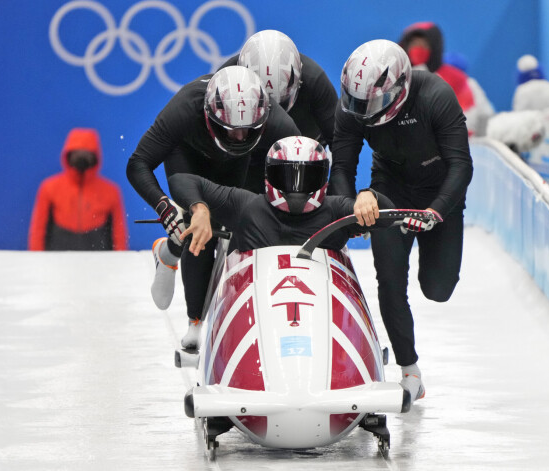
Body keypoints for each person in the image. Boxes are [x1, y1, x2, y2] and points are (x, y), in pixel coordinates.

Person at [329, 39, 473, 402]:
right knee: (390, 279)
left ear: (400, 88)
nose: (365, 112)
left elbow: (461, 165)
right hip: (390, 189)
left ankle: (435, 232)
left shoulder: (436, 95)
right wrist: (350, 210)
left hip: (439, 193)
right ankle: (410, 370)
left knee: (437, 289)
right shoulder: (350, 108)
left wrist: (437, 211)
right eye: (357, 105)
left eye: (372, 105)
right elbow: (342, 166)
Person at [168, 136, 399, 352]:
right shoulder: (247, 207)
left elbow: (390, 216)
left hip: (319, 314)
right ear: (269, 175)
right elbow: (181, 180)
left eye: (307, 177)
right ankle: (193, 315)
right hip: (260, 312)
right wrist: (199, 207)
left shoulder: (337, 210)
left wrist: (371, 197)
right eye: (286, 176)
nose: (296, 188)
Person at [126, 66, 300, 348]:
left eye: (248, 130)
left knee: (250, 221)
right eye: (231, 130)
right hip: (189, 159)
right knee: (199, 230)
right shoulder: (184, 109)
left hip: (243, 165)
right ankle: (194, 318)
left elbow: (303, 166)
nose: (239, 137)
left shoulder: (276, 122)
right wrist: (166, 208)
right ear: (209, 115)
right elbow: (137, 164)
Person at [219, 29, 338, 192]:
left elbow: (340, 143)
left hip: (303, 152)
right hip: (250, 153)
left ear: (298, 82)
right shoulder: (225, 80)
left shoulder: (315, 81)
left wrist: (339, 196)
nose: (275, 115)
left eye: (280, 103)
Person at [28, 128, 128, 251]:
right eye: (77, 153)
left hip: (99, 261)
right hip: (57, 259)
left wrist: (120, 261)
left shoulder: (111, 191)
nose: (81, 158)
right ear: (68, 155)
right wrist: (36, 259)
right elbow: (38, 229)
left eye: (87, 154)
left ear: (95, 156)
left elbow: (119, 234)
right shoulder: (49, 187)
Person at [398, 22, 493, 137]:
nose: (418, 49)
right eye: (414, 44)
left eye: (424, 45)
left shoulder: (456, 79)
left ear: (434, 46)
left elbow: (478, 113)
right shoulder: (397, 79)